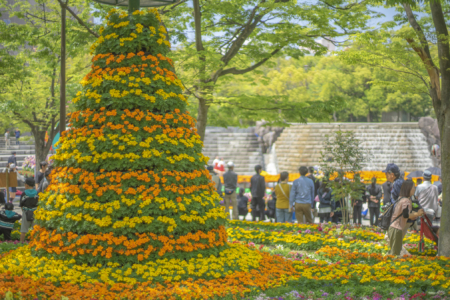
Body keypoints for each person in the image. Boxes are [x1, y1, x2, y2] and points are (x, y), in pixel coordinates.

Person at [388, 179, 424, 256]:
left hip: (393, 227)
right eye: (413, 187)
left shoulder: (401, 198)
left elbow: (405, 213)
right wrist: (417, 213)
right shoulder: (406, 201)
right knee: (395, 253)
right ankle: (389, 266)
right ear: (408, 189)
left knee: (392, 251)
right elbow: (406, 215)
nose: (415, 189)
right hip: (397, 228)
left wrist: (416, 213)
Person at [19, 177, 39, 243]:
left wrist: (24, 211)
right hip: (35, 213)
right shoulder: (37, 193)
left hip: (26, 212)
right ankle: (36, 243)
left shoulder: (24, 194)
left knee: (23, 230)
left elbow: (21, 204)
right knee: (36, 229)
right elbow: (39, 203)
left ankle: (21, 243)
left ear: (26, 185)